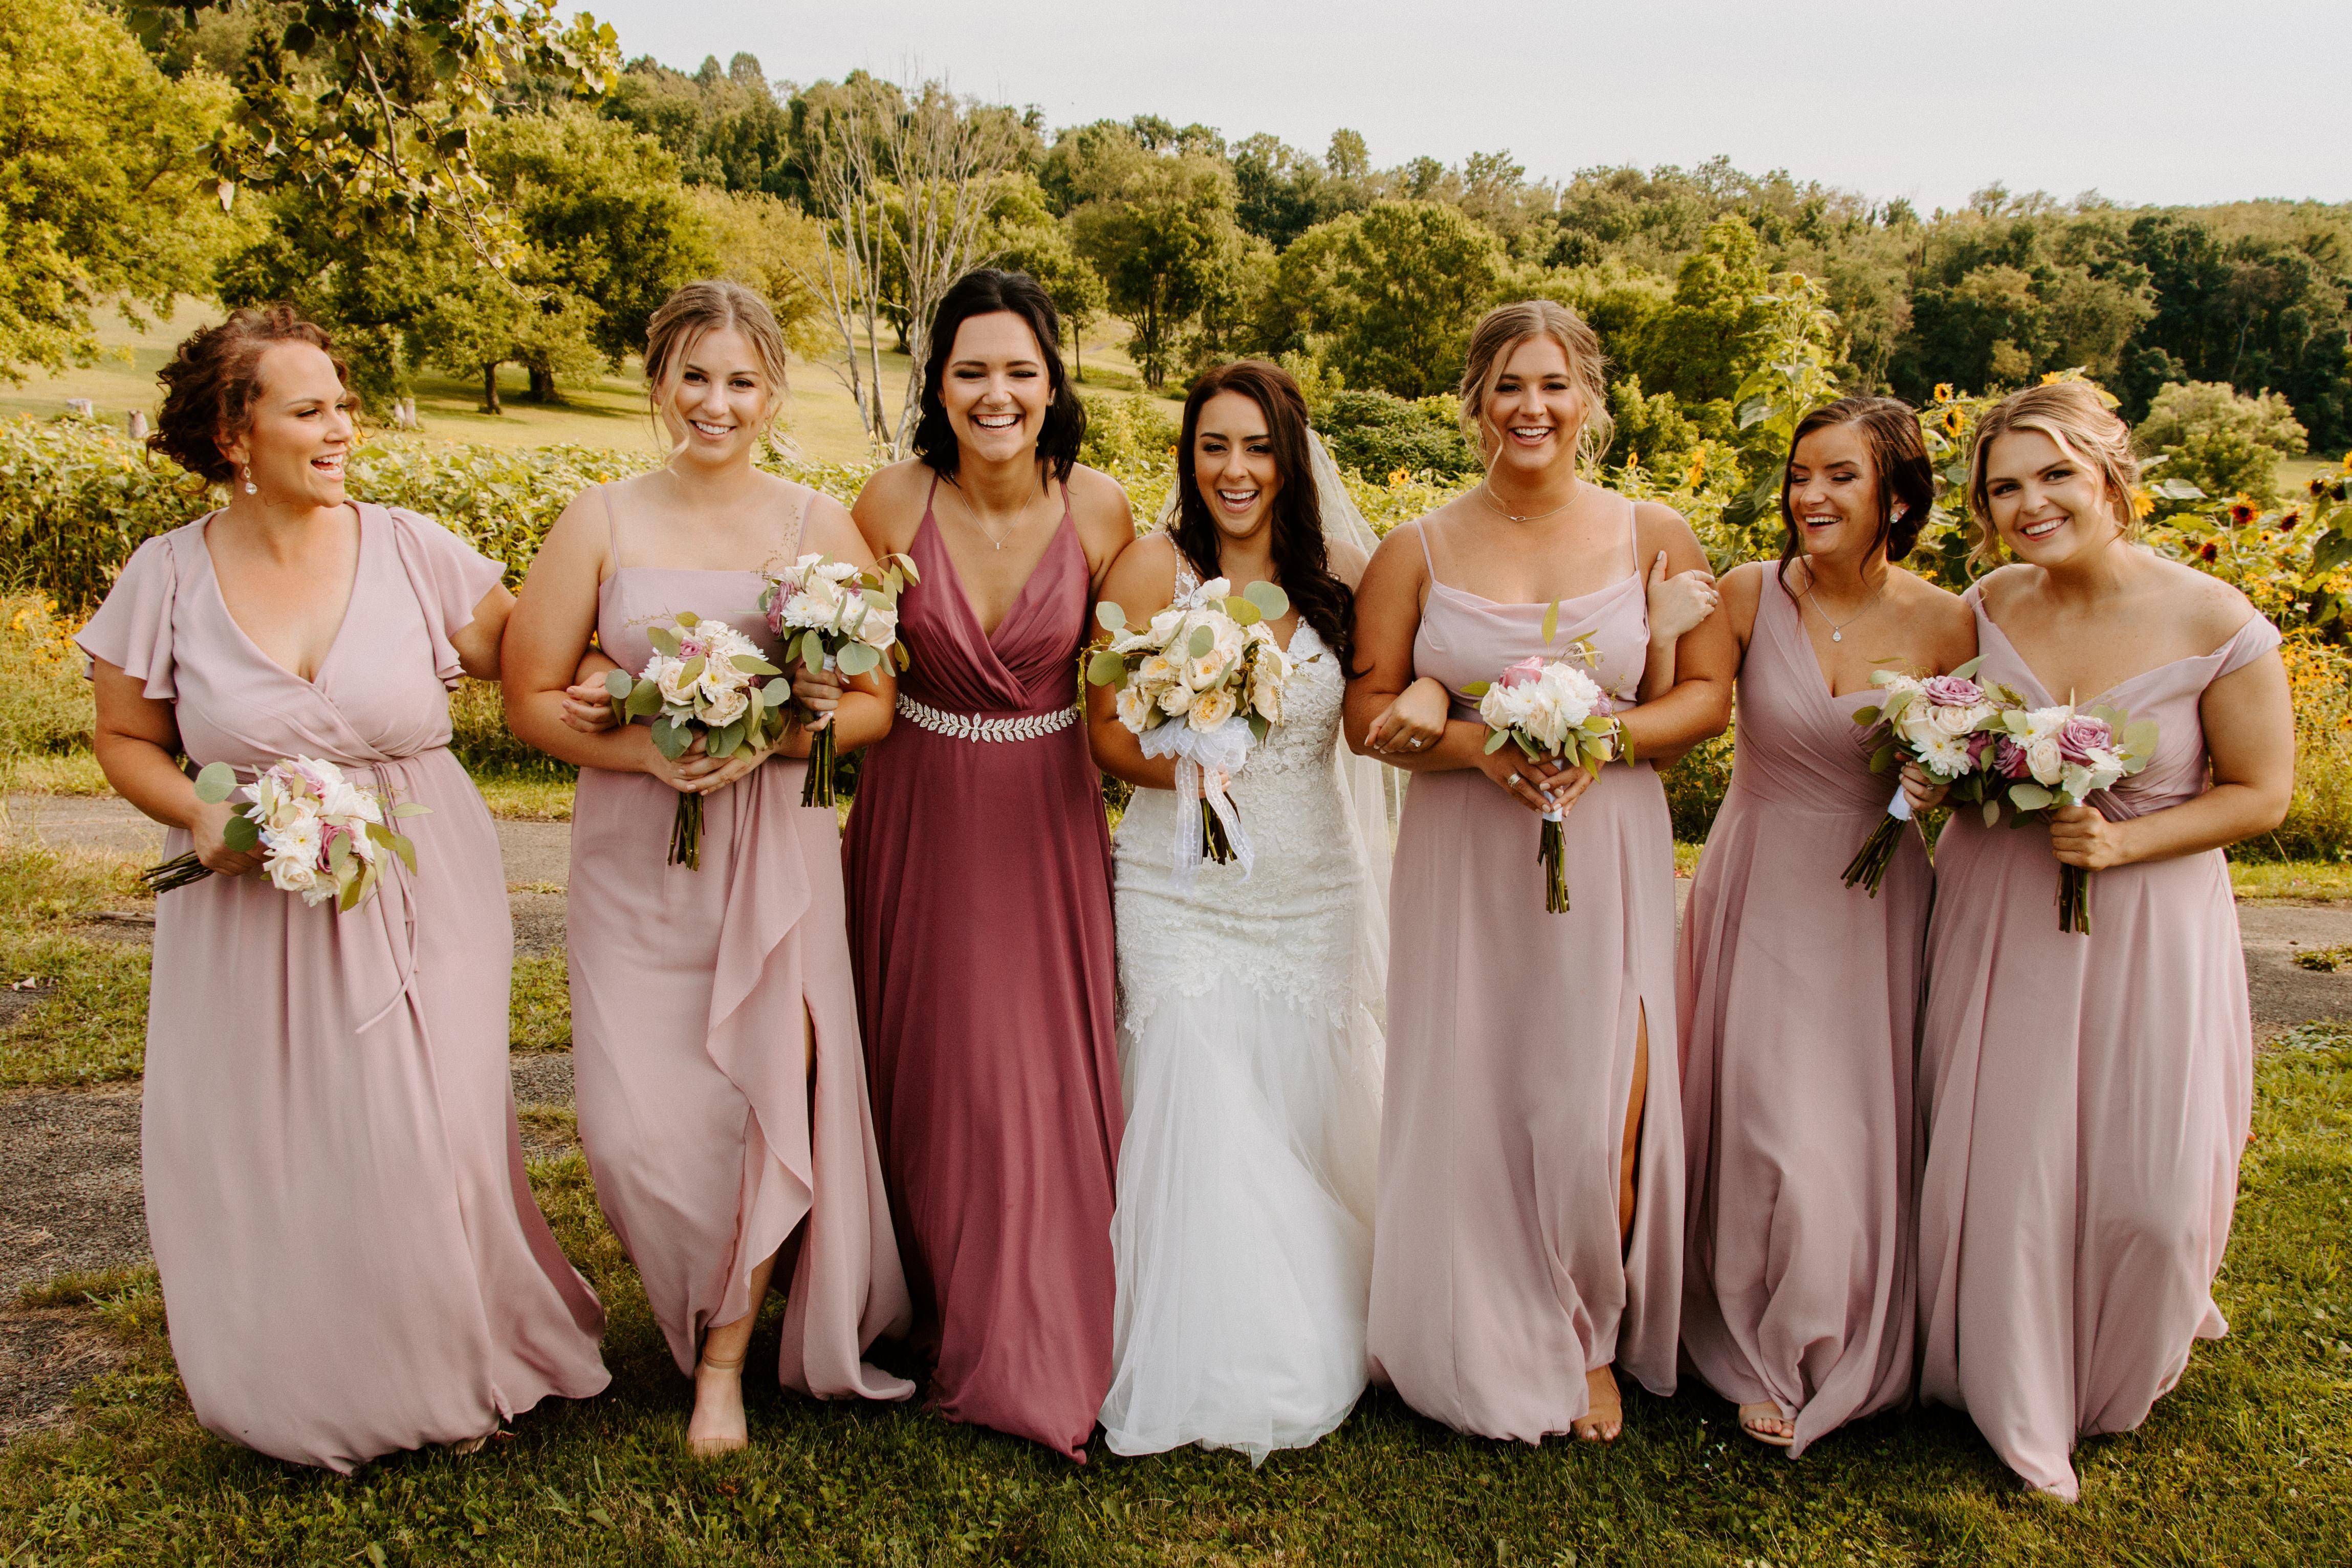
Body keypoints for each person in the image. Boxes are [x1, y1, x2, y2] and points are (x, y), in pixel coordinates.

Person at [78, 304, 608, 1472]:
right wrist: (201, 810)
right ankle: (308, 1375)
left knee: (430, 1124)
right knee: (280, 1136)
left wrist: (619, 671)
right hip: (250, 899)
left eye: (345, 406)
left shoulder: (415, 549)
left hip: (426, 874)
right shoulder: (165, 575)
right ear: (234, 433)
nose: (341, 430)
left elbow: (539, 657)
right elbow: (124, 738)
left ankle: (455, 1361)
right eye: (310, 410)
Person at [502, 280, 911, 1457]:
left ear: (773, 394)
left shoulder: (816, 525)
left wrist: (772, 734)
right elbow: (530, 697)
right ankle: (694, 1296)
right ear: (658, 383)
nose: (716, 402)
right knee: (631, 1127)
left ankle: (724, 1363)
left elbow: (872, 707)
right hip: (634, 858)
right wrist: (648, 748)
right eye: (695, 375)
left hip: (776, 849)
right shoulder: (598, 520)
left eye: (741, 381)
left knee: (758, 1100)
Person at [1345, 299, 1737, 1443]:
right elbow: (1369, 716)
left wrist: (1600, 737)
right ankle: (1471, 1319)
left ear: (1588, 400)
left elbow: (1704, 697)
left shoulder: (1653, 532)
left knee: (1591, 1104)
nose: (1532, 407)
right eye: (1509, 385)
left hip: (1605, 844)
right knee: (1473, 1088)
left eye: (1554, 384)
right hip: (1464, 856)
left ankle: (1588, 1333)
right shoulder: (1415, 550)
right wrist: (1481, 746)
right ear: (1474, 401)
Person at [1910, 381, 2293, 1500]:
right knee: (2012, 1153)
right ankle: (2009, 1362)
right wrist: (1934, 777)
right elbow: (1951, 744)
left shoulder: (2215, 619)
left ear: (2110, 477)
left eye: (2055, 475)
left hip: (2151, 923)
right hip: (2000, 911)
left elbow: (2263, 793)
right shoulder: (1985, 606)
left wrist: (2127, 843)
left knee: (2154, 1184)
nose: (2031, 503)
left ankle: (2128, 1333)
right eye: (2004, 488)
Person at [1087, 360, 1424, 1462]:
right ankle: (1218, 1342)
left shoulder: (1345, 573)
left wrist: (1434, 694)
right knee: (1197, 1088)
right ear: (1189, 456)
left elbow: (1384, 703)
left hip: (1309, 883)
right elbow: (1105, 732)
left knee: (1305, 1099)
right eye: (1213, 446)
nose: (1234, 470)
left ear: (1292, 456)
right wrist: (1196, 759)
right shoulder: (1155, 566)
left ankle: (1341, 1302)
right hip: (1178, 883)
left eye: (1257, 447)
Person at [840, 269, 1136, 1459]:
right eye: (972, 371)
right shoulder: (887, 501)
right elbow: (844, 663)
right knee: (935, 1065)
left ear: (1053, 382)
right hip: (920, 808)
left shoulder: (1103, 511)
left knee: (1038, 1072)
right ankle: (929, 1290)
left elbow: (1134, 685)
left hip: (1047, 816)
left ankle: (1041, 1320)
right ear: (940, 384)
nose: (996, 393)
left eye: (1020, 369)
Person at [1664, 397, 1972, 1452]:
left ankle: (1829, 1319)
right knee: (1763, 1118)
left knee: (1841, 1123)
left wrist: (1945, 780)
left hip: (1877, 902)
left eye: (1841, 476)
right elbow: (1684, 712)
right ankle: (1756, 1334)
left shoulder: (1951, 623)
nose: (1811, 496)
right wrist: (1657, 633)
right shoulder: (1752, 592)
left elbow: (1979, 757)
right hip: (1757, 879)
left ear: (1898, 497)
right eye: (1801, 474)